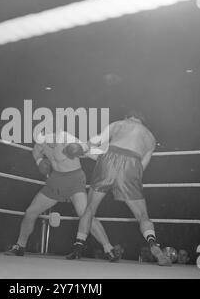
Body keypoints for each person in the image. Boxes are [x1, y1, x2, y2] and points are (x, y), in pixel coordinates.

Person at [66, 110, 172, 266]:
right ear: (142, 122)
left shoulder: (118, 124)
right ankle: (153, 244)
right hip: (132, 165)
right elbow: (141, 168)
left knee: (89, 209)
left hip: (108, 159)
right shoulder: (150, 138)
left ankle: (78, 247)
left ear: (127, 117)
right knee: (142, 215)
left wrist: (83, 148)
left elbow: (96, 142)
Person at [4, 130, 119, 261]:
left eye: (51, 138)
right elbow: (35, 152)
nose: (49, 142)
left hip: (74, 179)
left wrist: (107, 160)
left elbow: (88, 150)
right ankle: (20, 246)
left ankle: (109, 249)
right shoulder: (41, 141)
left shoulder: (66, 138)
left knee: (85, 215)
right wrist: (40, 161)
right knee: (30, 212)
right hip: (56, 180)